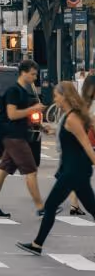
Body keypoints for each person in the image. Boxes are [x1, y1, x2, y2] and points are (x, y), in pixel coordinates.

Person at [16, 81, 95, 255]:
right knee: (92, 208)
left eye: (56, 96)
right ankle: (37, 245)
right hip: (74, 170)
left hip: (74, 171)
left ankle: (37, 245)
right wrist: (51, 130)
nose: (55, 99)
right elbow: (68, 138)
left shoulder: (73, 118)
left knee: (50, 205)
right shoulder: (67, 116)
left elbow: (86, 145)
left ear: (65, 96)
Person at [0, 59, 46, 218]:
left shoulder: (22, 91)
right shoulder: (14, 91)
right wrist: (33, 109)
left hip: (15, 135)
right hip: (14, 137)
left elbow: (21, 117)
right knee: (31, 171)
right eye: (32, 74)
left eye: (35, 74)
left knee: (3, 170)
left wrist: (40, 126)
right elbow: (12, 115)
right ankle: (41, 207)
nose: (35, 77)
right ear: (23, 73)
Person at [69, 75, 95, 216]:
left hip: (81, 142)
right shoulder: (92, 104)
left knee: (78, 175)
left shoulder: (80, 104)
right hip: (90, 143)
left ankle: (74, 204)